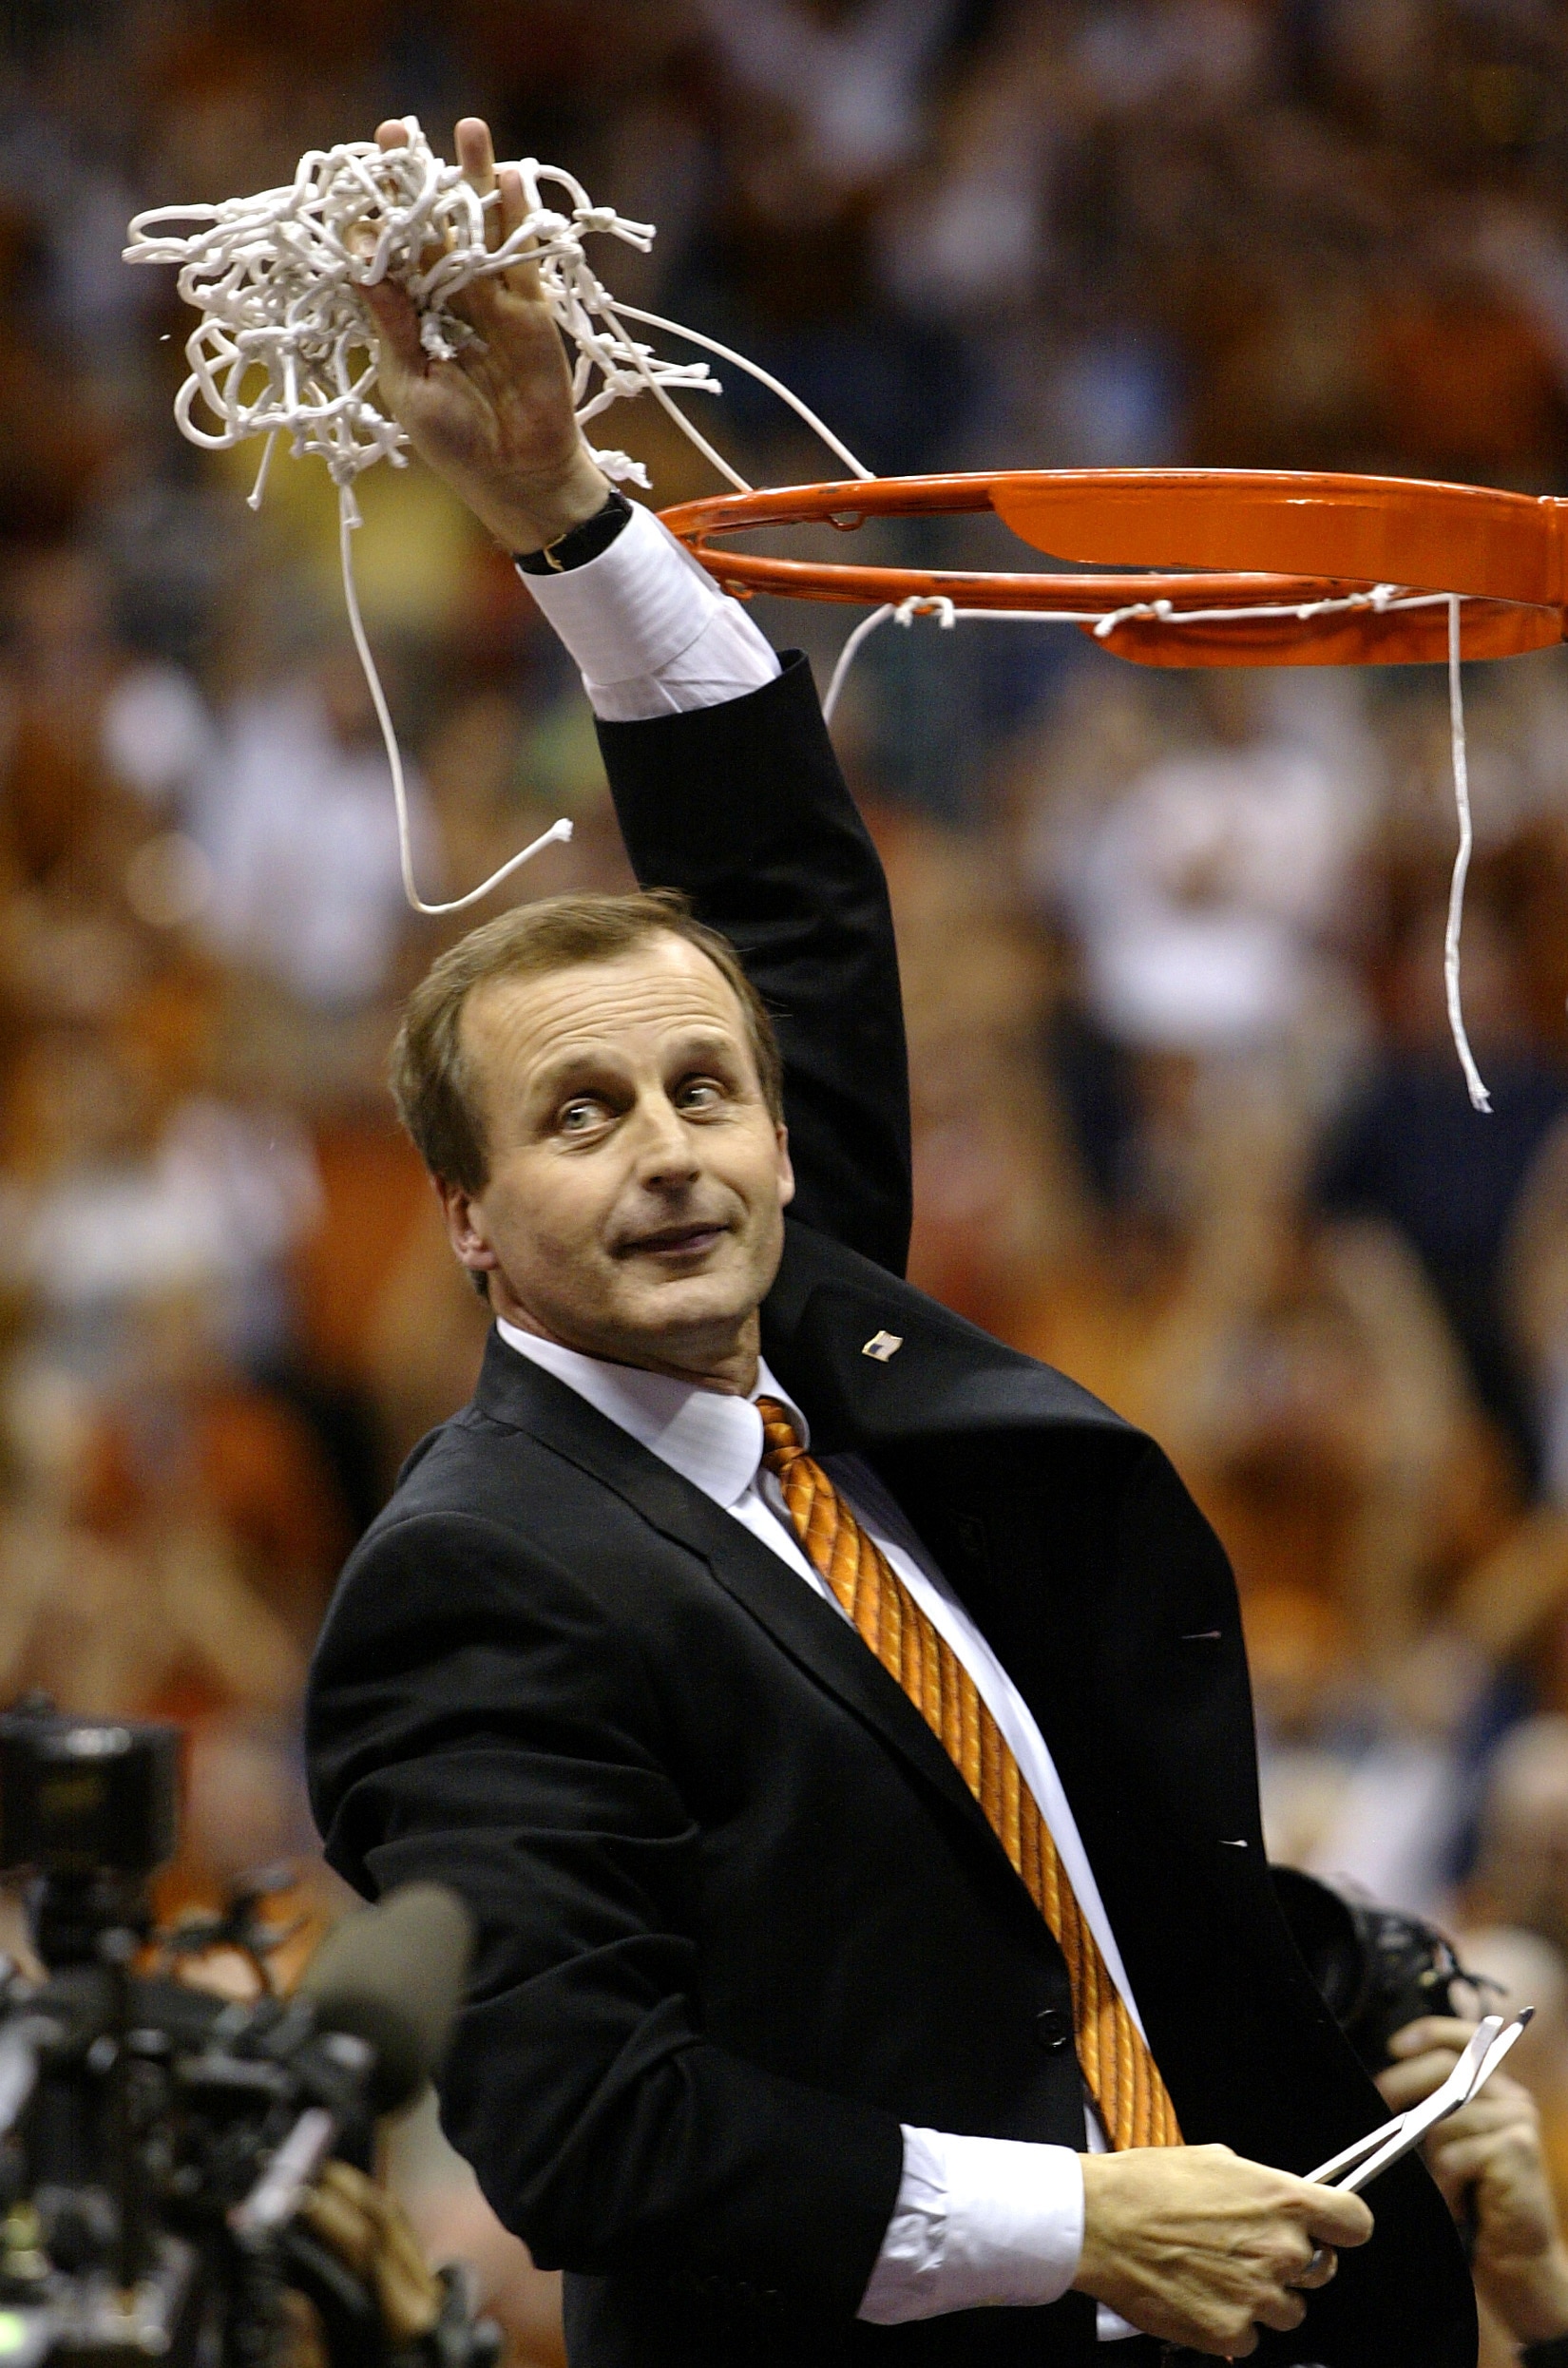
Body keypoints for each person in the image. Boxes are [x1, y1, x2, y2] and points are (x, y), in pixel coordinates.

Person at [304, 118, 1472, 2366]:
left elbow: (790, 914)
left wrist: (571, 514)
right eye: (577, 1115)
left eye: (702, 1095)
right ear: (465, 1218)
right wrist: (1080, 2223)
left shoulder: (811, 1356)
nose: (668, 1152)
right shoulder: (481, 1578)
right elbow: (580, 2121)